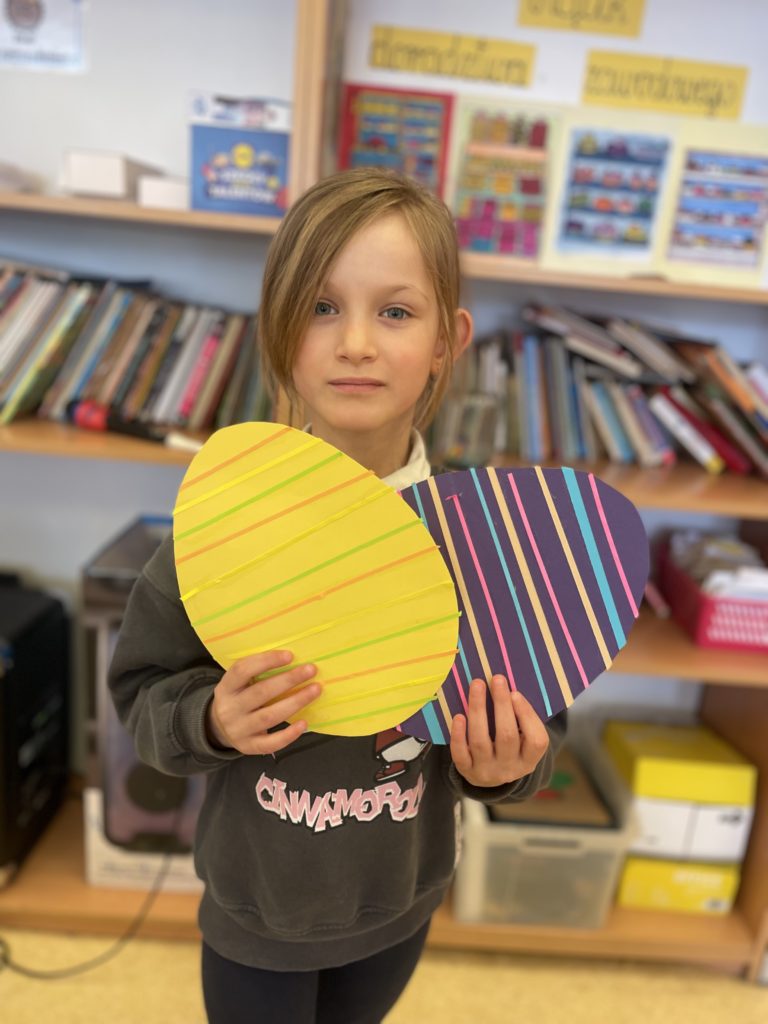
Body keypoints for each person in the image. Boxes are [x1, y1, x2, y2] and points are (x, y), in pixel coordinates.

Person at [108, 168, 567, 1024]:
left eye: (395, 312)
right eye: (322, 308)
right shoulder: (223, 529)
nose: (355, 342)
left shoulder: (486, 544)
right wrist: (212, 719)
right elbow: (143, 699)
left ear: (448, 340)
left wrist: (508, 766)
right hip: (257, 916)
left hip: (400, 902)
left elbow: (537, 714)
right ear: (279, 331)